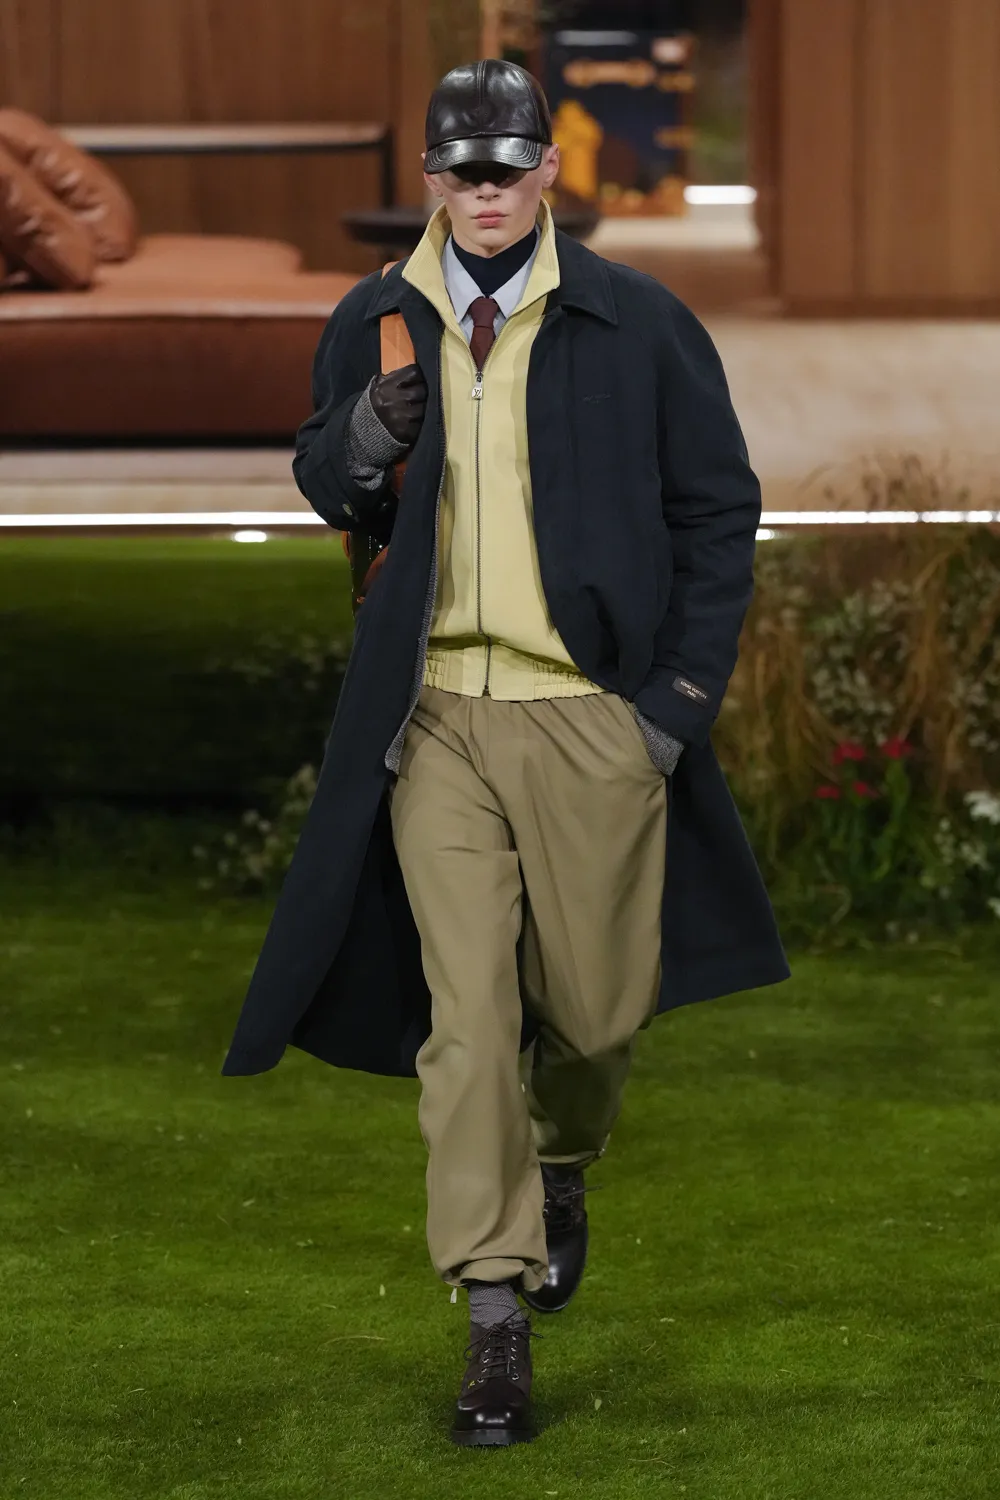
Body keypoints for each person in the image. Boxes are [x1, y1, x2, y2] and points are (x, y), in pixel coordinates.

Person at [223, 59, 788, 1447]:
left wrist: (670, 709)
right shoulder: (376, 320)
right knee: (468, 1018)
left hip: (592, 717)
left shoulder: (637, 320)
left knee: (593, 1016)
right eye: (461, 167)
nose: (484, 189)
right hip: (432, 721)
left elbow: (720, 510)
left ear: (548, 170)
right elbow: (324, 480)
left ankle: (564, 1161)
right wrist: (363, 437)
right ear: (432, 176)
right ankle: (492, 1308)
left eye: (507, 164)